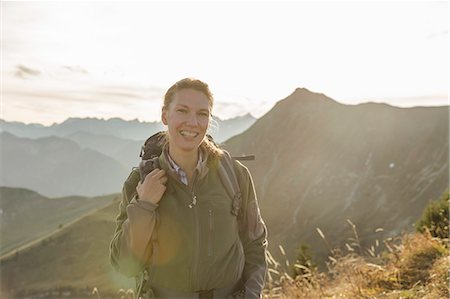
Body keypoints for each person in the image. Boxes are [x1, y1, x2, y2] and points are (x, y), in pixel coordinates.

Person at [110, 78, 268, 299]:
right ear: (165, 115)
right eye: (182, 111)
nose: (192, 122)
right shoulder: (140, 182)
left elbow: (255, 244)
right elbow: (124, 265)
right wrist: (144, 205)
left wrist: (251, 295)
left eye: (202, 114)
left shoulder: (235, 175)